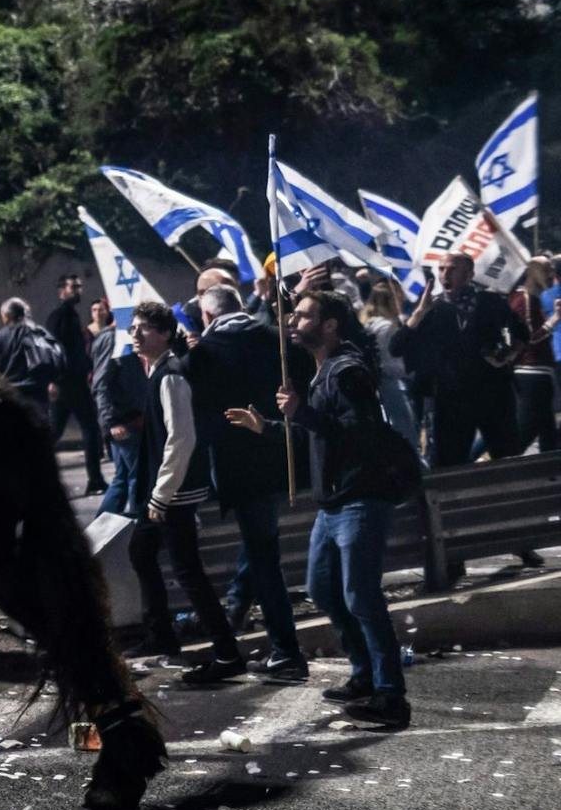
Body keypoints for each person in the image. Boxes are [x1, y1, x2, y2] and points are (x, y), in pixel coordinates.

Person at [228, 291, 410, 728]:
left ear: (330, 325)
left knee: (360, 596)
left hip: (360, 499)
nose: (293, 320)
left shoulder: (347, 372)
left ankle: (391, 696)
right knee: (323, 588)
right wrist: (270, 426)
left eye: (305, 315)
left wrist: (302, 412)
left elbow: (359, 434)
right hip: (333, 503)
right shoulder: (323, 371)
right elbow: (318, 436)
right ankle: (364, 676)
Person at [185, 283, 307, 680]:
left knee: (264, 558)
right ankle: (246, 614)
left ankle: (287, 651)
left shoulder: (203, 353)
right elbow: (304, 374)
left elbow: (199, 418)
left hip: (240, 470)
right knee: (260, 550)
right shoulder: (275, 339)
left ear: (207, 316)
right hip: (279, 456)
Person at [121, 300, 243, 681]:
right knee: (142, 553)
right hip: (164, 490)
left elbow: (181, 438)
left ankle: (226, 653)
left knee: (188, 570)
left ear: (164, 334)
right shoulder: (159, 371)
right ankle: (161, 635)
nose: (135, 334)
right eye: (133, 328)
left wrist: (161, 494)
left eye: (143, 328)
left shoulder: (171, 376)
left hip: (172, 493)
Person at [391, 252, 526, 466]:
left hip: (493, 394)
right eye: (442, 269)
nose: (445, 274)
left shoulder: (489, 301)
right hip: (450, 399)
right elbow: (396, 347)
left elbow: (521, 333)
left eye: (452, 269)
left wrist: (506, 356)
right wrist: (419, 313)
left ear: (469, 274)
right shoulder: (432, 308)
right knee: (448, 465)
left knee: (508, 458)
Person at [45, 272, 106, 496]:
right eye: (73, 287)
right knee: (90, 428)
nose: (78, 291)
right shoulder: (60, 316)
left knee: (55, 431)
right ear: (62, 290)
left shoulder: (69, 315)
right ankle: (96, 480)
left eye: (79, 287)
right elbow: (54, 348)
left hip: (70, 382)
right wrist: (54, 379)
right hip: (69, 382)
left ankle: (31, 467)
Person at [91, 314, 150, 517]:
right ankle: (139, 526)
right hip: (124, 420)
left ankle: (103, 528)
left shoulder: (123, 336)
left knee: (124, 477)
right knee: (137, 476)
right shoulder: (113, 338)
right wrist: (112, 422)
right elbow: (101, 384)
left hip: (128, 418)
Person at [359, 278, 418, 449]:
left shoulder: (368, 324)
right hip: (392, 384)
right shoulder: (386, 327)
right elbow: (391, 360)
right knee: (406, 430)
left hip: (380, 383)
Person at [508, 257, 558, 453]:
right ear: (532, 271)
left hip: (539, 373)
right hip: (531, 373)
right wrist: (554, 320)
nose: (551, 275)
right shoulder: (523, 299)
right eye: (546, 269)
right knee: (525, 432)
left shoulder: (530, 298)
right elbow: (527, 338)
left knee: (548, 434)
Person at [0, 297, 62, 416]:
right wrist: (53, 382)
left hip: (8, 398)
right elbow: (57, 358)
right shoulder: (40, 334)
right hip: (37, 397)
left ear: (6, 316)